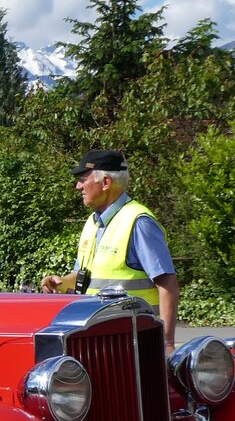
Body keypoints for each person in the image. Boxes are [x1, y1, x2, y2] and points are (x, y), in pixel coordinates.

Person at [40, 149, 179, 352]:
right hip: (99, 338)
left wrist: (167, 344)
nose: (78, 186)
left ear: (105, 183)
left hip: (136, 342)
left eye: (83, 179)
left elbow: (168, 285)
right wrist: (61, 282)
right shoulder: (93, 222)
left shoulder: (139, 221)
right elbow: (86, 276)